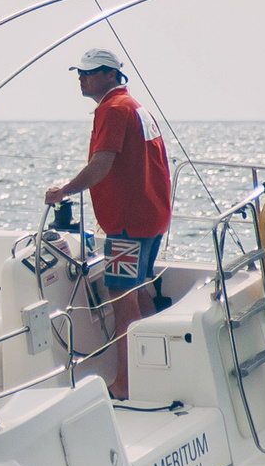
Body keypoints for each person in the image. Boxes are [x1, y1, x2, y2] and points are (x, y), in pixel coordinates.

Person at [44, 47, 174, 399]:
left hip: (127, 226)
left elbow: (101, 165)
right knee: (140, 291)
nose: (81, 77)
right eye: (81, 72)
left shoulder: (113, 109)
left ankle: (127, 384)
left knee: (121, 298)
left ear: (110, 74)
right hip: (152, 218)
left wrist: (64, 191)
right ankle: (160, 371)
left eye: (88, 71)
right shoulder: (135, 106)